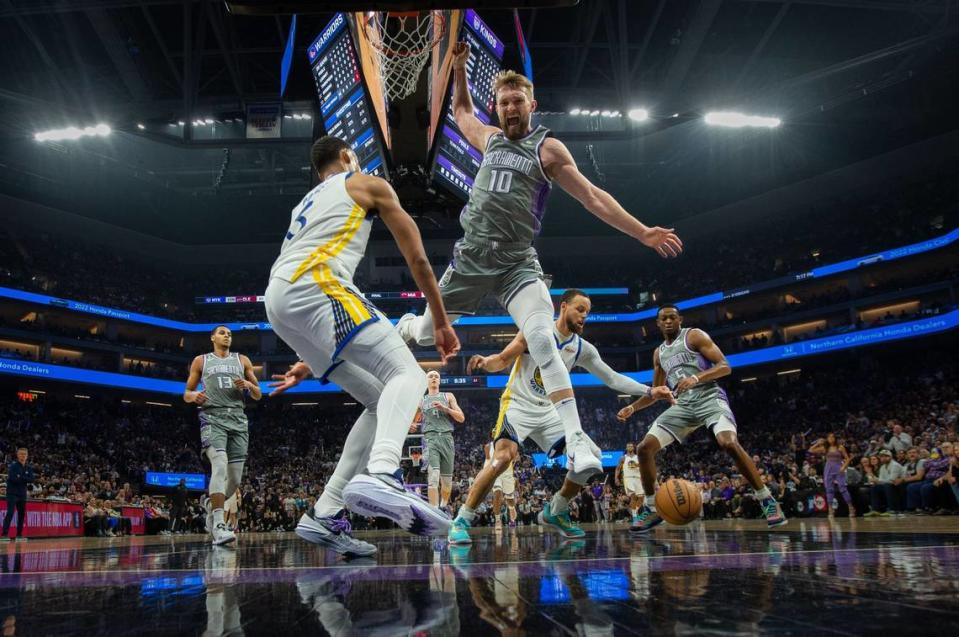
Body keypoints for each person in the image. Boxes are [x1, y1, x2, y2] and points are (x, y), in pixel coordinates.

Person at [396, 42, 682, 483]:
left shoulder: (547, 149)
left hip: (516, 264)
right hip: (472, 259)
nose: (511, 108)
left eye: (518, 101)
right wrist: (457, 70)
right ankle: (406, 323)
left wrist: (642, 232)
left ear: (532, 105)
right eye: (504, 102)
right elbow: (462, 113)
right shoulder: (489, 138)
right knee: (420, 333)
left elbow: (592, 197)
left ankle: (578, 444)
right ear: (499, 105)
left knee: (542, 336)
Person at [264, 136, 460, 557]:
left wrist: (306, 357)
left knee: (376, 401)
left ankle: (324, 513)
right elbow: (419, 259)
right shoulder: (365, 182)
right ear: (348, 156)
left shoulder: (306, 204)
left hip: (279, 303)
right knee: (406, 374)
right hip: (319, 284)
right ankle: (384, 472)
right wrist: (440, 320)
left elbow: (291, 285)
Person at [448, 289, 674, 544]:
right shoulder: (535, 332)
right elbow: (502, 360)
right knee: (502, 458)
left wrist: (650, 390)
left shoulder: (581, 349)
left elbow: (612, 378)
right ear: (563, 306)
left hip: (551, 413)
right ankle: (462, 520)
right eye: (580, 309)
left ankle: (556, 509)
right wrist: (484, 362)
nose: (584, 316)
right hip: (518, 405)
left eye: (587, 313)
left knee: (592, 460)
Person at [618, 305, 787, 533]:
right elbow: (657, 391)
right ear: (657, 324)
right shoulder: (659, 353)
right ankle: (651, 507)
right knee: (644, 448)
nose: (668, 321)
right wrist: (633, 407)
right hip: (683, 405)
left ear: (680, 320)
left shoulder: (694, 335)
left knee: (727, 442)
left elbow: (724, 366)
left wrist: (696, 377)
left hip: (709, 398)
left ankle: (767, 500)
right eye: (663, 319)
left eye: (672, 317)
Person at [184, 325, 261, 546]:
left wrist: (248, 385)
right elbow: (186, 393)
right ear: (212, 338)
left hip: (238, 419)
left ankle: (211, 504)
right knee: (219, 465)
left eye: (229, 333)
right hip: (212, 417)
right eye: (222, 333)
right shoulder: (201, 360)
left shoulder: (242, 360)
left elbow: (258, 394)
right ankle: (218, 524)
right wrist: (194, 396)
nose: (227, 335)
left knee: (235, 479)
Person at [418, 370, 464, 510]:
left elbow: (461, 418)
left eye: (436, 376)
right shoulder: (421, 400)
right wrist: (412, 425)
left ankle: (443, 507)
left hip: (447, 439)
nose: (433, 378)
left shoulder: (448, 396)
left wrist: (446, 409)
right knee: (433, 476)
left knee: (447, 482)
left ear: (439, 381)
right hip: (431, 439)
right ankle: (434, 510)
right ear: (427, 381)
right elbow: (413, 421)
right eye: (430, 376)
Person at [809, 433, 856, 518]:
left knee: (843, 488)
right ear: (827, 439)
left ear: (835, 438)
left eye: (833, 437)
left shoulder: (840, 447)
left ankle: (851, 507)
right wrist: (818, 443)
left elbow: (847, 458)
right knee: (829, 489)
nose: (831, 438)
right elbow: (811, 450)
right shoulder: (825, 448)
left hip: (838, 467)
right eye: (829, 437)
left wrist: (844, 467)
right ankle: (831, 510)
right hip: (828, 468)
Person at [483, 441, 517, 531]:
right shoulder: (488, 446)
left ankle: (511, 508)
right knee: (497, 494)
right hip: (495, 472)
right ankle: (498, 520)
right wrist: (486, 474)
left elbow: (517, 457)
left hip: (507, 473)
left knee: (510, 498)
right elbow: (487, 461)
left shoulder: (509, 443)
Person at [2, 448, 34, 542]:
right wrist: (25, 478)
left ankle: (19, 534)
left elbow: (32, 479)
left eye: (24, 454)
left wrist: (21, 477)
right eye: (21, 454)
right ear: (17, 455)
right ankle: (4, 534)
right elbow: (13, 479)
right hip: (12, 493)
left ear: (27, 456)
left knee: (21, 514)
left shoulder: (29, 467)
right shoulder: (13, 466)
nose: (23, 456)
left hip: (22, 494)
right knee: (10, 512)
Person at [615, 442, 645, 522]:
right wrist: (616, 478)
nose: (630, 447)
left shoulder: (638, 458)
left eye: (631, 446)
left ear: (633, 448)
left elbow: (642, 469)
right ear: (626, 448)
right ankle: (635, 517)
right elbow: (618, 469)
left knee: (641, 499)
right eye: (628, 446)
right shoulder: (623, 458)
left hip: (638, 479)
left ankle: (635, 512)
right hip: (628, 479)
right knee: (633, 496)